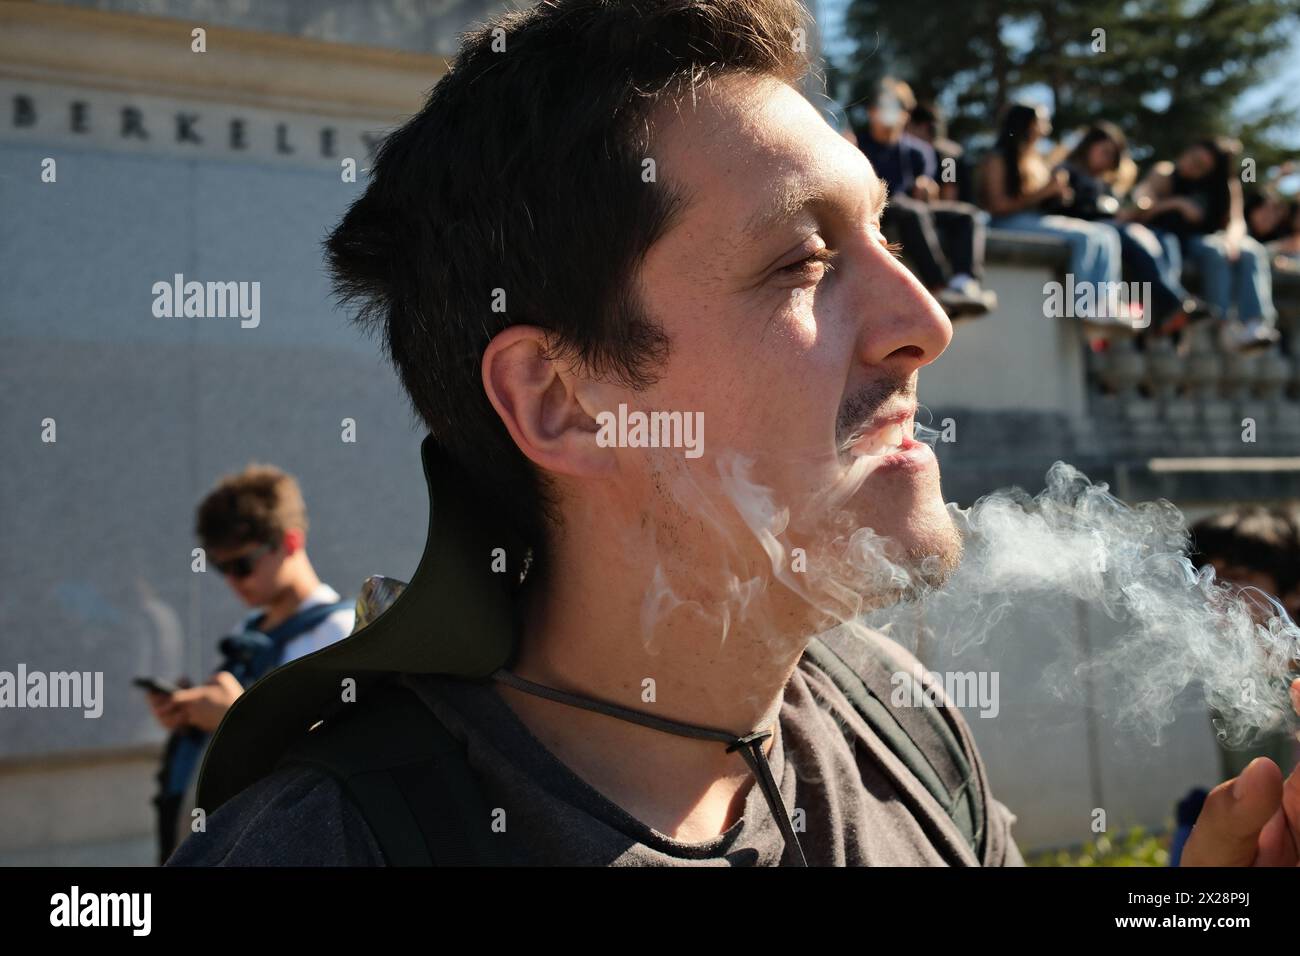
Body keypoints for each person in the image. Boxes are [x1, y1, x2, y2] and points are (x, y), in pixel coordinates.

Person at [168, 0, 1300, 869]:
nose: (924, 323)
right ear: (560, 399)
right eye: (803, 259)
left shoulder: (895, 717)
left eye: (885, 236)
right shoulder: (327, 845)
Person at [146, 463, 354, 863]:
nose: (232, 580)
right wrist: (190, 711)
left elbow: (337, 763)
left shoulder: (341, 633)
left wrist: (234, 718)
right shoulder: (248, 628)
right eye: (220, 568)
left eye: (242, 565)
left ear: (290, 542)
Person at [978, 103, 1142, 333]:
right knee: (1085, 237)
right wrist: (1045, 192)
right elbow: (998, 206)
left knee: (1106, 234)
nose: (1047, 128)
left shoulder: (1035, 157)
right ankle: (1085, 307)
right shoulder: (999, 157)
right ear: (1027, 124)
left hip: (1035, 219)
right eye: (1042, 122)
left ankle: (1107, 302)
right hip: (1007, 222)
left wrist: (1057, 194)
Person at [1047, 122, 1214, 337]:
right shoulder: (1067, 172)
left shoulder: (1102, 182)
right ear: (1089, 146)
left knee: (1164, 238)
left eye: (1112, 155)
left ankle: (1171, 304)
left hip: (1113, 227)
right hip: (1090, 228)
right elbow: (1071, 210)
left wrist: (1130, 214)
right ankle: (1172, 302)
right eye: (1104, 151)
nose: (1107, 159)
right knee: (1129, 235)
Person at [855, 78, 996, 319]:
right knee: (911, 210)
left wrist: (928, 193)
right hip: (876, 210)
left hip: (911, 208)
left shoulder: (931, 152)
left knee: (965, 215)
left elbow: (939, 194)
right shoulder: (855, 144)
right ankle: (939, 288)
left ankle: (963, 283)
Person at [1126, 137, 1280, 352]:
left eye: (1201, 166)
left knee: (1252, 251)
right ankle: (1222, 323)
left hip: (1217, 237)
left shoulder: (1225, 185)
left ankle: (1255, 323)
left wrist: (1233, 241)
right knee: (1215, 251)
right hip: (1181, 240)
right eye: (1193, 158)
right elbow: (1139, 208)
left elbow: (1236, 221)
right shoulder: (1165, 173)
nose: (1192, 166)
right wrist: (1178, 203)